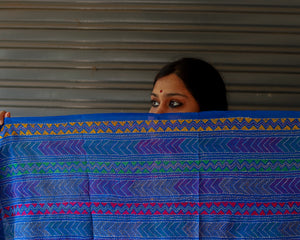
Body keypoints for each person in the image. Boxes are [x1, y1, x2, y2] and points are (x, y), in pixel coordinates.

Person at [0, 57, 227, 124]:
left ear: (207, 109)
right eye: (155, 102)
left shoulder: (242, 167)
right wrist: (10, 144)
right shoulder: (126, 158)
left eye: (174, 103)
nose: (157, 114)